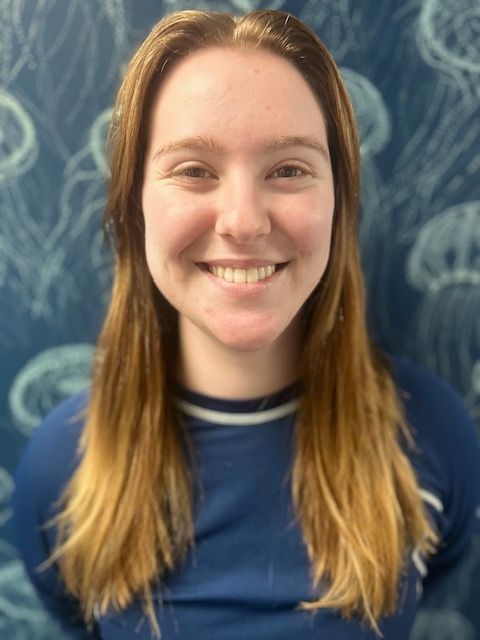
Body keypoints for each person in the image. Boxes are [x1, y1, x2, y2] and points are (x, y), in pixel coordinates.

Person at [12, 9, 480, 640]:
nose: (243, 221)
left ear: (338, 203)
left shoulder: (432, 435)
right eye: (193, 170)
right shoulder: (60, 467)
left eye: (288, 169)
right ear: (134, 204)